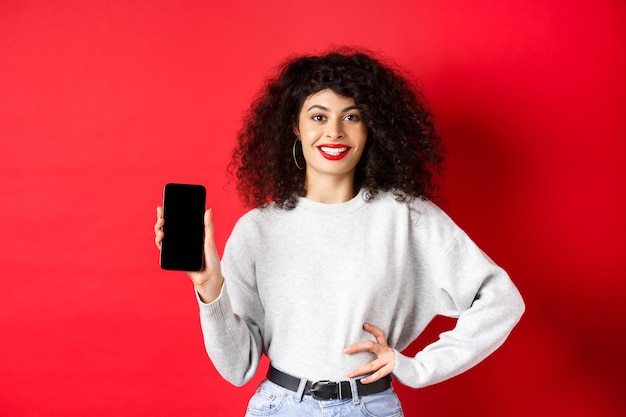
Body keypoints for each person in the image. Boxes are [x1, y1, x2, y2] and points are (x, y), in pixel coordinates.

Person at [154, 48, 525, 417]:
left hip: (370, 407)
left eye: (351, 116)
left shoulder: (406, 217)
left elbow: (500, 300)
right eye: (318, 116)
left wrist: (416, 367)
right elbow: (238, 369)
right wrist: (209, 288)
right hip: (279, 407)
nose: (334, 131)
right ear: (295, 127)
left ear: (370, 128)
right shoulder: (257, 229)